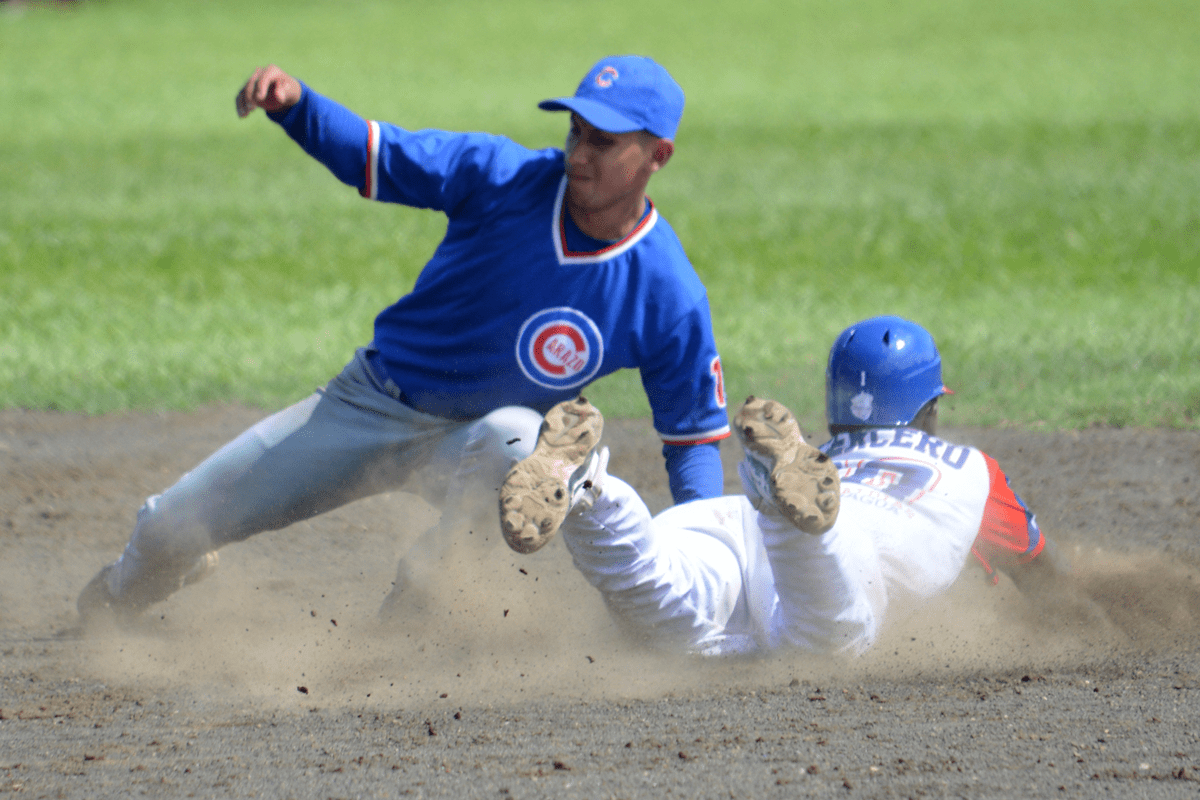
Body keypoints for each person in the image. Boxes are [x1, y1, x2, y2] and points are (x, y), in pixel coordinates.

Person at [77, 55, 730, 625]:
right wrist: (298, 108)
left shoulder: (667, 290)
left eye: (604, 141)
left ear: (657, 156)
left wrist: (708, 562)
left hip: (479, 453)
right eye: (576, 131)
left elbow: (692, 440)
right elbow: (378, 157)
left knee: (525, 443)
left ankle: (419, 604)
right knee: (171, 527)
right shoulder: (502, 176)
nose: (579, 154)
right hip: (373, 405)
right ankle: (120, 592)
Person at [498, 315, 1066, 657]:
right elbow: (1041, 577)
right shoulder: (969, 470)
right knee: (828, 640)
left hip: (730, 524)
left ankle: (591, 492)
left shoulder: (827, 457)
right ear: (931, 405)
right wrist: (1090, 625)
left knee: (655, 597)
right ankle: (783, 513)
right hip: (848, 543)